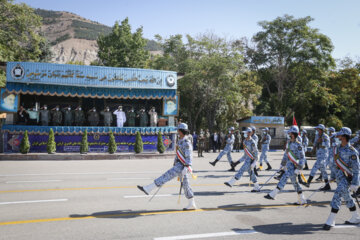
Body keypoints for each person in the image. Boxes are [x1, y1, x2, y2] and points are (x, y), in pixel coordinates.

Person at [137, 123, 197, 210]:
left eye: (178, 130)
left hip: (183, 166)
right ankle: (192, 203)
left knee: (166, 176)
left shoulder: (186, 142)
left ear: (181, 131)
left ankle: (148, 188)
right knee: (186, 185)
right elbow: (178, 153)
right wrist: (175, 162)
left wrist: (187, 167)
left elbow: (189, 156)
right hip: (179, 164)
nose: (177, 132)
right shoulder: (180, 140)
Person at [323, 127, 360, 230]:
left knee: (337, 195)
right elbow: (334, 165)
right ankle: (355, 217)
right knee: (347, 198)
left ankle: (331, 220)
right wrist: (332, 177)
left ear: (344, 137)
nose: (338, 136)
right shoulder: (337, 148)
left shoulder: (352, 151)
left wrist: (355, 183)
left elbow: (357, 169)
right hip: (339, 178)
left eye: (340, 135)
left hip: (347, 178)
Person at [264, 125, 307, 205]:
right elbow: (286, 155)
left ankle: (273, 194)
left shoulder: (298, 145)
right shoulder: (289, 143)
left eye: (289, 133)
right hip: (288, 165)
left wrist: (299, 168)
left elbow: (302, 157)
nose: (288, 135)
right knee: (295, 183)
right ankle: (302, 199)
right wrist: (282, 164)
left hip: (294, 166)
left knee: (284, 178)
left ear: (293, 134)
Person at [223, 127, 260, 192]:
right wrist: (237, 162)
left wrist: (254, 162)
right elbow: (245, 155)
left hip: (250, 161)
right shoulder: (244, 141)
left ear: (249, 133)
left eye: (246, 133)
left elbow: (256, 152)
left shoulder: (252, 142)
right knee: (251, 174)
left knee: (241, 170)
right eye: (244, 133)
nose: (244, 134)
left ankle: (231, 182)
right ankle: (257, 187)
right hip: (247, 160)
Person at [303, 124, 331, 191]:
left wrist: (322, 142)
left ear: (321, 130)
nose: (317, 130)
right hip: (318, 155)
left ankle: (308, 182)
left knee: (314, 168)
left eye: (318, 129)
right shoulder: (317, 135)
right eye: (317, 129)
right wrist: (312, 150)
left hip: (323, 155)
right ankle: (327, 185)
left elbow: (328, 145)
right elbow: (315, 143)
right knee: (323, 171)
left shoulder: (325, 136)